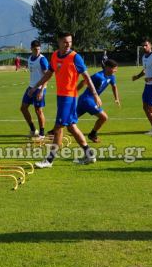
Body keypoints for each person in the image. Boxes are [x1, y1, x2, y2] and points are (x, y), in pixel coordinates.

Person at [28, 32, 100, 168]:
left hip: (69, 97)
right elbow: (49, 73)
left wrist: (95, 94)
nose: (68, 44)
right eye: (65, 42)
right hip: (61, 96)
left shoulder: (75, 57)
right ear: (59, 42)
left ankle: (49, 160)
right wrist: (36, 87)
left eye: (70, 42)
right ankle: (89, 154)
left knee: (58, 128)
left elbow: (86, 76)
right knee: (72, 127)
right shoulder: (55, 55)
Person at [77, 59, 120, 143]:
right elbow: (84, 81)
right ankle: (92, 134)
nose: (116, 70)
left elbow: (114, 86)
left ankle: (53, 132)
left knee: (71, 118)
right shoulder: (98, 76)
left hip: (87, 100)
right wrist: (74, 92)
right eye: (114, 68)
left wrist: (116, 98)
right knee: (104, 117)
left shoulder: (112, 76)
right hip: (87, 100)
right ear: (107, 68)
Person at [20, 40, 49, 138]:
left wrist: (41, 91)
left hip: (40, 88)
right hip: (31, 87)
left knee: (38, 110)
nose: (37, 51)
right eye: (35, 49)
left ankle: (42, 133)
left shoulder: (42, 60)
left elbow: (47, 76)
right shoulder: (29, 58)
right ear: (31, 49)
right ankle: (33, 130)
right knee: (23, 108)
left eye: (39, 49)